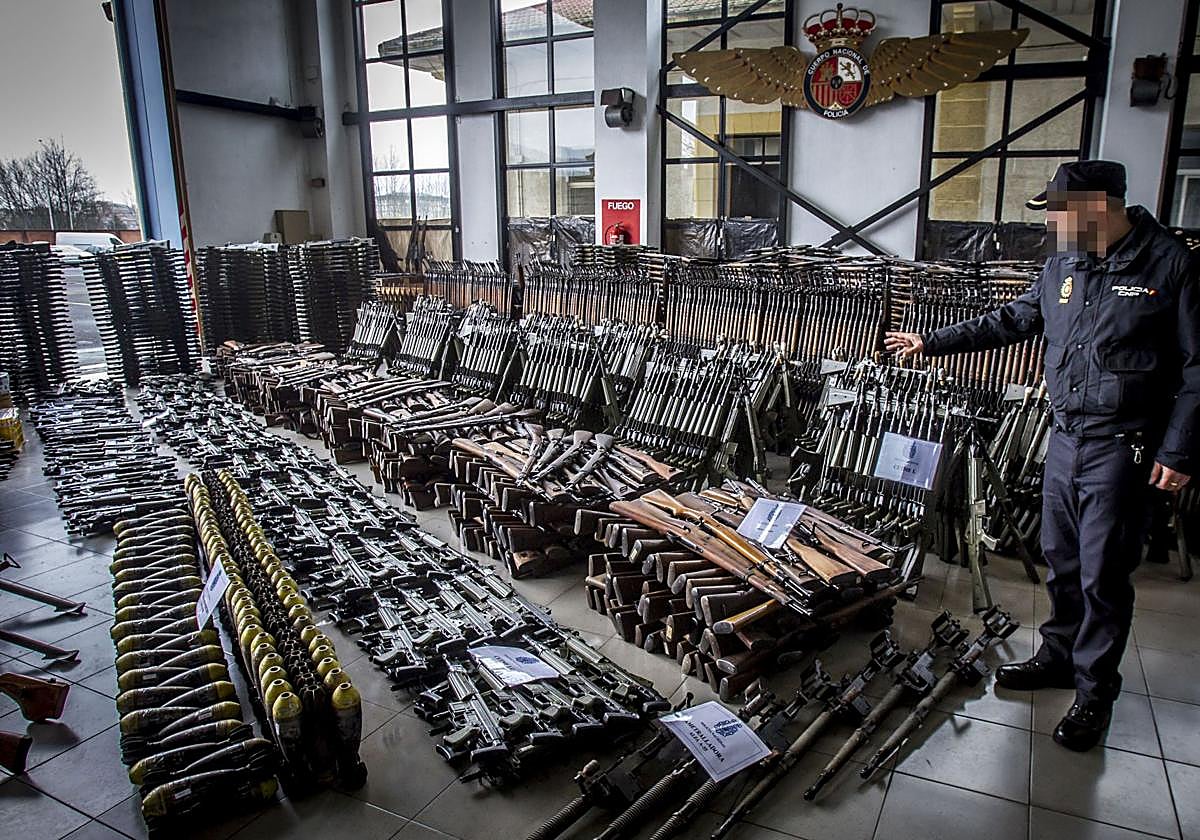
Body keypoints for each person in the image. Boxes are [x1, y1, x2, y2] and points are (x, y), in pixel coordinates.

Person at [885, 160, 1199, 752]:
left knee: (1105, 571)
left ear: (1100, 207)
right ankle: (1058, 657)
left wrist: (1181, 447)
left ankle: (1095, 690)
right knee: (1063, 558)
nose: (1052, 223)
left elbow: (1197, 369)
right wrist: (932, 342)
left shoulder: (1171, 264)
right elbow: (1016, 319)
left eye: (1059, 211)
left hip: (1124, 444)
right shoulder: (1065, 262)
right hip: (1067, 438)